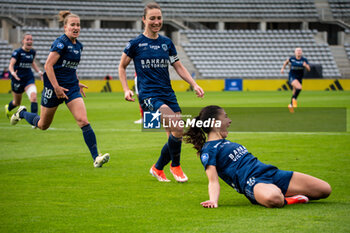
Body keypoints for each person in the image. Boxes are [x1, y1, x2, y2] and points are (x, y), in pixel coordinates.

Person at [10, 11, 109, 168]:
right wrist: (56, 87)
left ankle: (96, 158)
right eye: (72, 25)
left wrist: (77, 82)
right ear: (65, 27)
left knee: (83, 120)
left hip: (70, 88)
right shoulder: (60, 43)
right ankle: (22, 113)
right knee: (43, 125)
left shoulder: (79, 46)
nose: (76, 27)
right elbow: (48, 65)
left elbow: (71, 68)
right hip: (53, 88)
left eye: (78, 25)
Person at [118, 2, 204, 182]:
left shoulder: (166, 43)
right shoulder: (135, 44)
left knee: (175, 135)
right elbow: (122, 67)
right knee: (178, 127)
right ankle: (176, 166)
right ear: (144, 20)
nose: (156, 22)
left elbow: (178, 67)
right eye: (152, 18)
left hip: (167, 93)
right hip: (149, 95)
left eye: (159, 18)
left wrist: (194, 84)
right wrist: (126, 89)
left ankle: (157, 168)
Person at [184, 105, 331, 208]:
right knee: (273, 199)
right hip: (253, 183)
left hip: (270, 173)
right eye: (226, 117)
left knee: (325, 189)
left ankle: (281, 192)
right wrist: (213, 200)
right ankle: (291, 199)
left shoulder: (226, 142)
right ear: (215, 123)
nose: (230, 121)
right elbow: (213, 180)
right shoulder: (208, 151)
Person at [4, 34, 43, 119]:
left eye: (31, 40)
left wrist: (39, 72)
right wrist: (12, 72)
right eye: (27, 39)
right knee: (17, 103)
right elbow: (11, 65)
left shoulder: (33, 52)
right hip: (17, 79)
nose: (29, 41)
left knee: (33, 97)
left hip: (28, 78)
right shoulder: (17, 52)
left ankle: (34, 120)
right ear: (23, 41)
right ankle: (8, 107)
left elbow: (32, 62)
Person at [281, 48, 310, 112]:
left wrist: (305, 66)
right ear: (295, 52)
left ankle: (290, 105)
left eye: (300, 51)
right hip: (292, 76)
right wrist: (282, 69)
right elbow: (286, 62)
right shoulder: (292, 59)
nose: (299, 52)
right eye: (297, 51)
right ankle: (294, 99)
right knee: (299, 88)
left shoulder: (304, 60)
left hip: (299, 77)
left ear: (301, 52)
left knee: (294, 92)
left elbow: (308, 69)